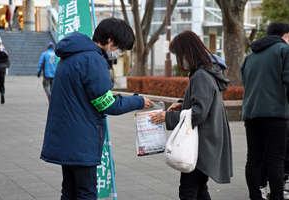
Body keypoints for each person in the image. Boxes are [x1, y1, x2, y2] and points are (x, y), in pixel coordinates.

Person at [40, 18, 153, 199]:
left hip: (65, 135)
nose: (119, 52)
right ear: (110, 40)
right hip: (81, 139)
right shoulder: (93, 60)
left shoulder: (71, 55)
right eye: (120, 47)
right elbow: (107, 104)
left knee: (69, 191)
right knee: (86, 192)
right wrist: (138, 101)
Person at [151, 30, 233, 200]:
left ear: (186, 52)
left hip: (201, 143)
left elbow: (199, 113)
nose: (179, 60)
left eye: (179, 55)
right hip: (208, 139)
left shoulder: (201, 75)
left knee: (188, 191)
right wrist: (183, 104)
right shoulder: (207, 71)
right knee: (199, 188)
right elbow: (204, 103)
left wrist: (167, 117)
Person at [241, 22, 289, 200]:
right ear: (285, 35)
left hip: (251, 114)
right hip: (275, 113)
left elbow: (245, 81)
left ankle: (255, 196)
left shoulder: (250, 56)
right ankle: (276, 197)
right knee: (276, 160)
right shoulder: (284, 51)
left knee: (253, 158)